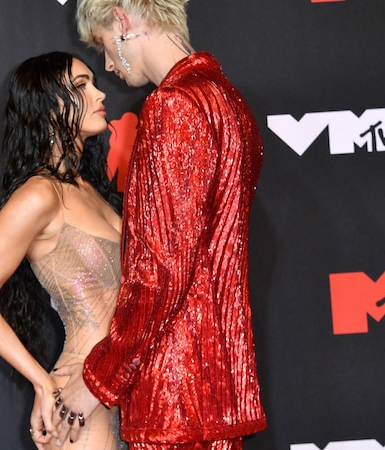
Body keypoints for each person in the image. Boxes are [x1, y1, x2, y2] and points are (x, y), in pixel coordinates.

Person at [44, 1, 267, 449]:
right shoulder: (227, 98)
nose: (107, 64)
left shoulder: (173, 106)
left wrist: (96, 382)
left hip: (175, 398)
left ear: (123, 20)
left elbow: (161, 271)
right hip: (217, 392)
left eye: (105, 45)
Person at [0, 51, 126, 450]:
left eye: (94, 82)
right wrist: (43, 384)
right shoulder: (38, 195)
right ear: (49, 107)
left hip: (127, 389)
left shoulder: (91, 190)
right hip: (81, 402)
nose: (101, 93)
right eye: (82, 86)